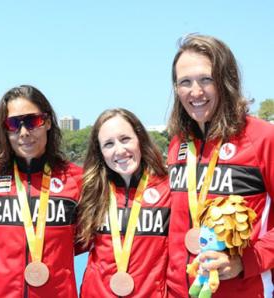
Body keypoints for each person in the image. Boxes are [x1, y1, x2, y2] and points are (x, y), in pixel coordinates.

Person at [167, 34, 274, 297]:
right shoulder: (178, 145)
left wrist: (246, 261)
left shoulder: (263, 138)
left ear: (226, 81)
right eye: (185, 82)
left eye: (206, 79)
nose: (196, 92)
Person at [0, 85, 82, 297]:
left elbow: (86, 241)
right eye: (12, 124)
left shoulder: (76, 180)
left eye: (32, 121)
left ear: (47, 122)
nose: (23, 132)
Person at [76, 109, 170, 297]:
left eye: (125, 139)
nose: (119, 150)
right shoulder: (90, 191)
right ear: (101, 152)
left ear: (140, 140)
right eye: (108, 144)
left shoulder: (169, 189)